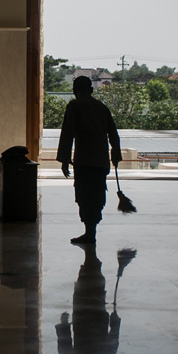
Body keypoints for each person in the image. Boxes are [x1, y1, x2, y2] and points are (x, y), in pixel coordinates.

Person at [56, 75, 122, 245]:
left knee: (84, 196)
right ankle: (91, 231)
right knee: (97, 195)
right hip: (100, 160)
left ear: (74, 90)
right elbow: (113, 133)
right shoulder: (101, 107)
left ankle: (89, 232)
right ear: (91, 90)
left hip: (84, 161)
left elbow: (68, 133)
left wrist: (64, 159)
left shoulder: (74, 106)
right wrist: (115, 154)